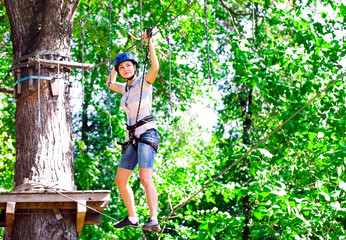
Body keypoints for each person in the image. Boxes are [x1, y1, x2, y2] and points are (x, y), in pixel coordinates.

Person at [106, 31, 160, 232]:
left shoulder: (144, 82)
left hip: (147, 133)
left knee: (145, 178)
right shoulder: (125, 89)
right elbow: (109, 84)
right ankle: (132, 216)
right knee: (120, 180)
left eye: (128, 65)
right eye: (121, 67)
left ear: (135, 67)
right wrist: (113, 66)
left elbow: (155, 67)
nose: (125, 69)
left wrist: (150, 43)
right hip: (133, 138)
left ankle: (153, 217)